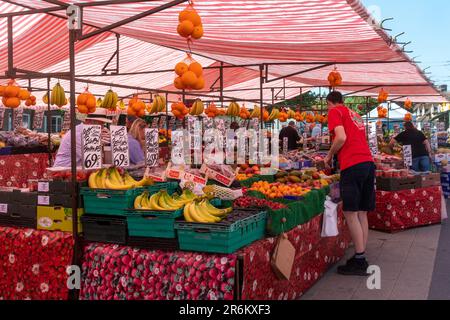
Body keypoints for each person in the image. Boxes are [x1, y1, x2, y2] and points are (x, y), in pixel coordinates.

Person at [324, 91, 375, 276]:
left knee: (350, 212)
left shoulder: (334, 111)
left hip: (352, 164)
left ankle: (360, 260)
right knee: (362, 212)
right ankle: (360, 254)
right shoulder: (354, 114)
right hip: (368, 163)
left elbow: (341, 137)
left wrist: (329, 156)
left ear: (330, 102)